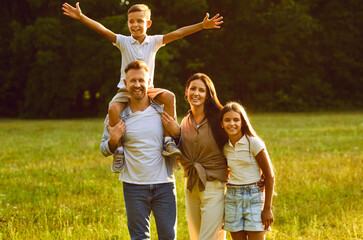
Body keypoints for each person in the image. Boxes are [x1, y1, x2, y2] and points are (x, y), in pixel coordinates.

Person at [62, 2, 224, 172]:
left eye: (139, 21)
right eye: (131, 21)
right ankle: (118, 151)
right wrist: (81, 17)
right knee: (113, 108)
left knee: (169, 97)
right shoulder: (123, 42)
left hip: (149, 89)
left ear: (148, 23)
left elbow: (178, 33)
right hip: (126, 90)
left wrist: (202, 26)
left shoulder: (154, 42)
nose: (135, 25)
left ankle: (168, 141)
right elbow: (102, 30)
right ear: (127, 24)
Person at [100, 60, 179, 240]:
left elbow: (179, 143)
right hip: (133, 186)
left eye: (141, 80)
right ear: (126, 83)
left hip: (164, 185)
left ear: (149, 82)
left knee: (168, 236)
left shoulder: (162, 111)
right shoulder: (118, 114)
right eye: (133, 81)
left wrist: (177, 132)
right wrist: (113, 140)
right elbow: (104, 149)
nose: (137, 85)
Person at [163, 73, 229, 240]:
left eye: (201, 90)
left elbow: (237, 144)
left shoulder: (220, 119)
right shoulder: (185, 121)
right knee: (196, 236)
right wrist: (176, 134)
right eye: (193, 89)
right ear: (186, 92)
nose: (196, 93)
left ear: (208, 94)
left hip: (214, 185)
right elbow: (181, 154)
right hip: (191, 185)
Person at [219, 102, 275, 240]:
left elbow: (270, 176)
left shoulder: (254, 143)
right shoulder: (225, 147)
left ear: (242, 122)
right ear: (221, 123)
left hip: (254, 198)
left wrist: (267, 209)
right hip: (232, 198)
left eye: (236, 120)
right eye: (227, 120)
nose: (232, 123)